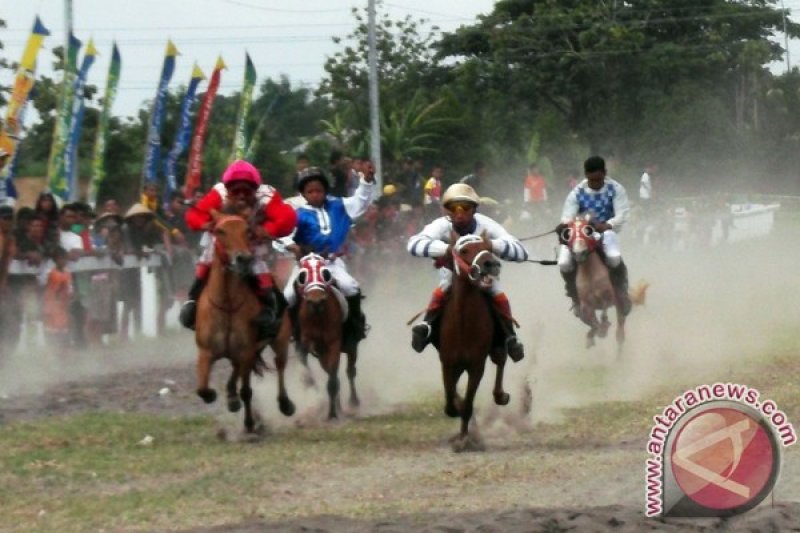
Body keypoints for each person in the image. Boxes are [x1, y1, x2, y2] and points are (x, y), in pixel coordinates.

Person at [407, 183, 528, 361]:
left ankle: (511, 339)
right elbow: (414, 244)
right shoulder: (441, 225)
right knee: (444, 287)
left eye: (465, 207)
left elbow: (521, 252)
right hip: (452, 275)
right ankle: (427, 327)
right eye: (452, 208)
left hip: (483, 276)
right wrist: (446, 249)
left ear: (474, 210)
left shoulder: (487, 224)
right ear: (446, 211)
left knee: (497, 292)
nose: (459, 213)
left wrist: (493, 245)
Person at [181, 159, 297, 340]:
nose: (242, 196)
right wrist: (205, 223)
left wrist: (267, 229)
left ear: (255, 189)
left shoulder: (268, 195)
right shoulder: (218, 193)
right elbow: (195, 214)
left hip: (252, 239)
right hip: (223, 240)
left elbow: (287, 218)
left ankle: (268, 307)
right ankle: (193, 301)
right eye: (237, 191)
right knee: (208, 257)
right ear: (228, 189)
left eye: (247, 191)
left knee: (258, 264)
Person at [281, 166, 375, 343]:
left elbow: (360, 201)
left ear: (325, 190)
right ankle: (293, 331)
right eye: (310, 191)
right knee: (288, 295)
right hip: (306, 264)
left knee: (350, 286)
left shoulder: (340, 205)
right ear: (304, 194)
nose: (315, 194)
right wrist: (291, 245)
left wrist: (367, 182)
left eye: (319, 190)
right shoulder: (297, 214)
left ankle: (356, 325)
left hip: (331, 262)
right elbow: (283, 234)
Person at [556, 155, 632, 315]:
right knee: (563, 262)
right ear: (586, 175)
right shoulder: (577, 192)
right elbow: (567, 215)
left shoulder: (616, 189)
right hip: (582, 233)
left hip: (606, 232)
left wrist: (607, 225)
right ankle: (575, 297)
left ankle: (622, 291)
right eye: (592, 180)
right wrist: (565, 224)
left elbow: (622, 213)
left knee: (614, 256)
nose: (595, 184)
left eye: (598, 179)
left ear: (605, 173)